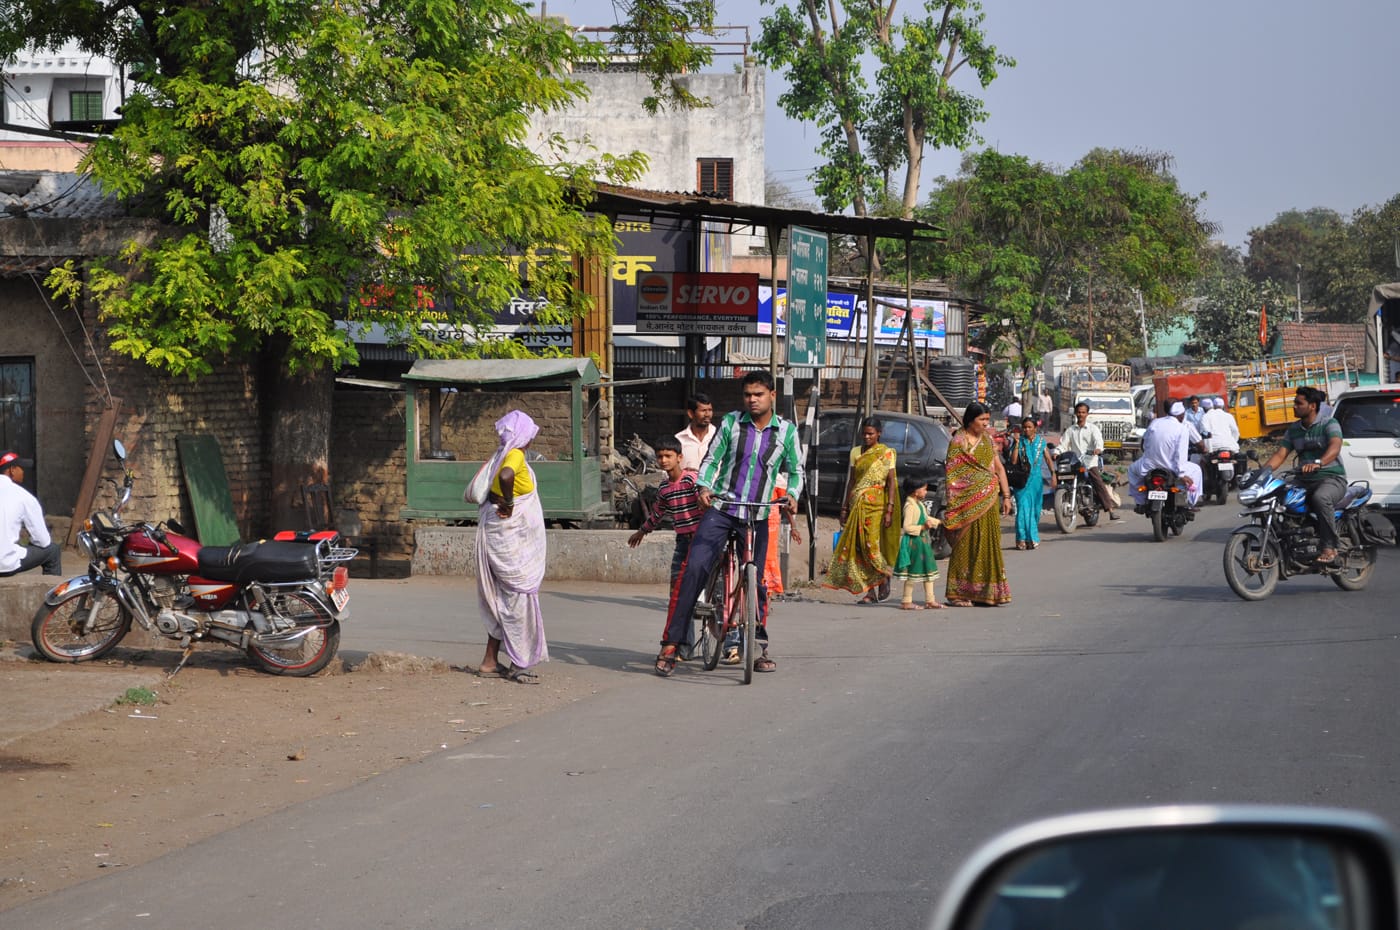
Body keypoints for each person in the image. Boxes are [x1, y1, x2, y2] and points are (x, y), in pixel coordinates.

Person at [653, 370, 803, 677]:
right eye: (747, 394)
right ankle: (671, 644)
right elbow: (711, 461)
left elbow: (797, 471)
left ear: (772, 395)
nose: (752, 400)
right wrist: (704, 487)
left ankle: (758, 646)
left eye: (758, 394)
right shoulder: (732, 423)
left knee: (758, 580)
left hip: (758, 513)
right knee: (693, 569)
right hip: (722, 509)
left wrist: (791, 494)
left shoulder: (786, 432)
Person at [464, 411, 548, 683]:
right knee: (516, 599)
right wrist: (510, 503)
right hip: (509, 540)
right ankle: (518, 662)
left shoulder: (502, 453)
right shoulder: (514, 456)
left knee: (502, 599)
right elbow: (508, 476)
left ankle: (490, 661)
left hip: (499, 535)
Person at [1262, 386, 1346, 564]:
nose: (1294, 407)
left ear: (1312, 406)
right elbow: (1280, 454)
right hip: (1303, 480)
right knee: (1277, 494)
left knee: (1321, 498)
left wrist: (1319, 463)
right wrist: (1262, 473)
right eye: (1294, 403)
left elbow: (1335, 447)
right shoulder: (1294, 430)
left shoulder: (1329, 424)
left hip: (1331, 478)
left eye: (1299, 403)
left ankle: (1329, 546)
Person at [943, 403, 1012, 607]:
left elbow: (998, 468)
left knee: (987, 543)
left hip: (989, 501)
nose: (985, 424)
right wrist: (957, 502)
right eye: (982, 420)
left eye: (986, 420)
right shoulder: (958, 442)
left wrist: (1006, 496)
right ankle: (959, 593)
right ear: (970, 420)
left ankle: (986, 592)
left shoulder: (988, 440)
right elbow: (952, 476)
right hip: (965, 503)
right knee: (964, 545)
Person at [826, 417, 901, 603]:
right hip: (857, 504)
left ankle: (885, 574)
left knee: (871, 546)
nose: (867, 437)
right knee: (859, 548)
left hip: (876, 506)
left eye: (871, 434)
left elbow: (891, 482)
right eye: (864, 433)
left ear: (879, 434)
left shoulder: (886, 453)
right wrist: (844, 507)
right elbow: (852, 481)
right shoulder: (855, 452)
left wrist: (889, 508)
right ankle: (870, 592)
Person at [627, 437, 703, 594]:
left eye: (668, 456)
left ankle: (720, 611)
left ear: (679, 458)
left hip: (701, 536)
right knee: (676, 587)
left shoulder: (691, 480)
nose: (664, 460)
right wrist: (642, 531)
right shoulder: (664, 488)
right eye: (660, 456)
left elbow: (704, 499)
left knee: (709, 578)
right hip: (682, 539)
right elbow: (657, 514)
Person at [1127, 401, 1202, 508]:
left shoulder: (1155, 423)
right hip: (1171, 469)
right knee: (1196, 470)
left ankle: (1140, 501)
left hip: (1148, 467)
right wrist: (1181, 475)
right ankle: (1190, 503)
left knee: (1132, 470)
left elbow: (1144, 445)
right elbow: (1180, 455)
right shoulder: (1182, 428)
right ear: (1181, 415)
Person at [0, 452, 61, 577]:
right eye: (21, 468)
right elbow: (43, 541)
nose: (23, 472)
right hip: (5, 564)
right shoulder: (24, 496)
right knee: (53, 551)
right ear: (12, 470)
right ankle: (54, 593)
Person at [1060, 401, 1122, 520]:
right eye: (1079, 412)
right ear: (1075, 414)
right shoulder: (1070, 430)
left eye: (1083, 412)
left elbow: (1098, 441)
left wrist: (1098, 449)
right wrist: (1057, 452)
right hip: (1074, 462)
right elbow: (1063, 444)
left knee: (1098, 482)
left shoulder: (1093, 428)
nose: (1081, 414)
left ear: (1087, 414)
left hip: (1090, 462)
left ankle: (1110, 510)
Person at [893, 475, 942, 610]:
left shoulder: (919, 504)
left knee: (928, 570)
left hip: (923, 543)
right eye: (924, 489)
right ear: (916, 491)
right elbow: (907, 527)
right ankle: (906, 601)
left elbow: (926, 518)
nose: (926, 492)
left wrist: (940, 522)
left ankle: (930, 600)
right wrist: (922, 528)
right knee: (913, 573)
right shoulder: (910, 506)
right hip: (914, 544)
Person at [1010, 416, 1056, 550]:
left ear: (1035, 428)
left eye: (1029, 427)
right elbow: (1013, 461)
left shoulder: (1041, 442)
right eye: (1024, 427)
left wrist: (1053, 474)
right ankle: (1022, 538)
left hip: (1036, 481)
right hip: (1022, 481)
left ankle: (1030, 538)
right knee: (1023, 509)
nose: (1027, 429)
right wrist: (1017, 444)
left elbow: (1048, 459)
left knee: (1035, 510)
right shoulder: (1020, 442)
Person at [675, 393, 716, 471]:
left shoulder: (720, 436)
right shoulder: (679, 440)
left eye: (710, 410)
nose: (707, 414)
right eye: (703, 410)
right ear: (690, 414)